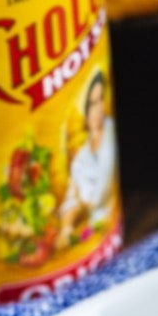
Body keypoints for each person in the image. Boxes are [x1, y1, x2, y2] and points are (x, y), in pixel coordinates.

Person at [58, 70, 117, 247]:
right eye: (92, 104)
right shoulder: (81, 159)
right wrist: (66, 228)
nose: (98, 109)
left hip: (111, 229)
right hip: (94, 234)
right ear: (85, 110)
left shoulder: (111, 131)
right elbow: (72, 199)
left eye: (100, 100)